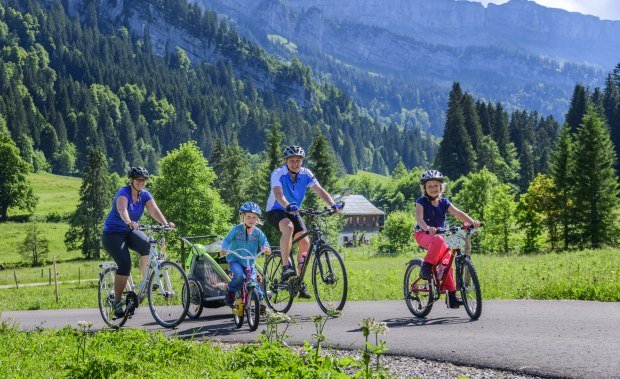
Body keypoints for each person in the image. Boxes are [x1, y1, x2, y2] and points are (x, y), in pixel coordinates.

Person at [265, 145, 343, 299]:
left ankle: (299, 282)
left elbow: (319, 190)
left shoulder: (306, 173)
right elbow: (278, 194)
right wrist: (287, 204)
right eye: (292, 160)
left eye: (298, 161)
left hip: (294, 210)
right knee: (288, 227)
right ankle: (286, 266)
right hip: (276, 209)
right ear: (286, 161)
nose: (295, 163)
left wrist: (332, 204)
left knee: (305, 243)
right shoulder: (278, 173)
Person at [102, 166, 175, 318]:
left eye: (144, 180)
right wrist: (128, 221)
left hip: (129, 231)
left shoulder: (145, 195)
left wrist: (165, 223)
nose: (142, 182)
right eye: (139, 179)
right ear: (132, 180)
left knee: (147, 245)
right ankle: (116, 302)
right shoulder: (123, 193)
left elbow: (154, 210)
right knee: (125, 264)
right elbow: (123, 210)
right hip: (112, 234)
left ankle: (145, 281)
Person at [414, 169, 480, 308]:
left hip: (440, 236)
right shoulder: (421, 201)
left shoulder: (444, 202)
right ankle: (426, 266)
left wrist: (472, 222)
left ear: (441, 187)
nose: (433, 188)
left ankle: (451, 296)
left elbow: (458, 213)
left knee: (447, 261)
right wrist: (427, 228)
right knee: (437, 239)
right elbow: (419, 218)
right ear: (424, 188)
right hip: (423, 234)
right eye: (430, 186)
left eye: (436, 185)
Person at [220, 202, 270, 311]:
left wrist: (266, 249)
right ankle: (231, 291)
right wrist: (224, 249)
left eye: (254, 217)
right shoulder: (236, 230)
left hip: (249, 262)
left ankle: (260, 302)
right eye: (248, 217)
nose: (251, 219)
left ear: (257, 219)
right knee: (239, 275)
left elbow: (264, 243)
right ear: (243, 217)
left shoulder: (258, 233)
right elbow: (226, 240)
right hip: (235, 259)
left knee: (253, 281)